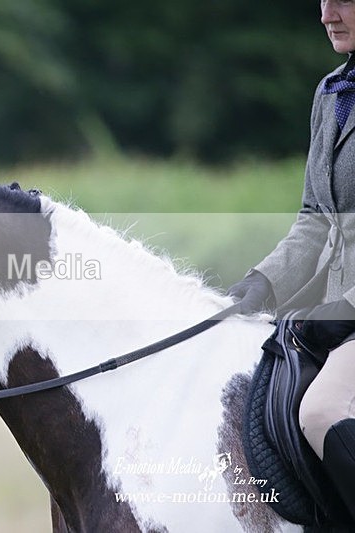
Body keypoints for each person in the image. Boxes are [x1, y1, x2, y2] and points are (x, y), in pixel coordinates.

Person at [227, 0, 355, 521]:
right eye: (322, 0)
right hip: (337, 312)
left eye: (343, 0)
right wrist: (261, 284)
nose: (327, 14)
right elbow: (314, 219)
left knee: (322, 411)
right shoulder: (332, 94)